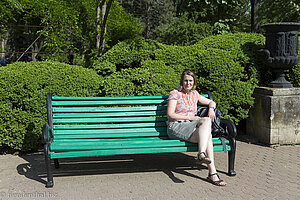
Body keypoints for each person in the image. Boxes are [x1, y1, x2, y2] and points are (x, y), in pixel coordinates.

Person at [167, 69, 227, 186]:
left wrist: (211, 108)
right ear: (181, 81)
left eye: (190, 81)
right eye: (185, 81)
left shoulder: (195, 94)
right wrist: (189, 117)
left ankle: (208, 166)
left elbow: (211, 102)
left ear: (194, 82)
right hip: (176, 126)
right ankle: (212, 172)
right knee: (206, 129)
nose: (188, 83)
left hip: (190, 126)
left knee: (207, 133)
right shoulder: (175, 93)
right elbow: (170, 115)